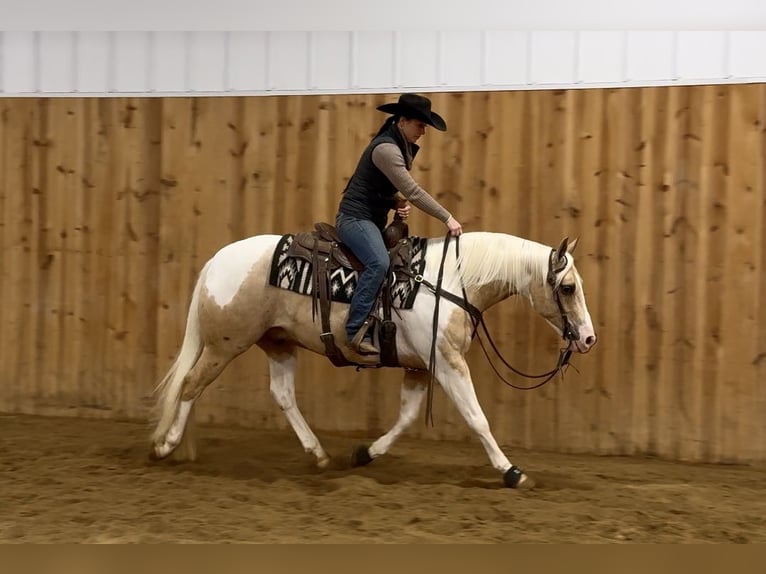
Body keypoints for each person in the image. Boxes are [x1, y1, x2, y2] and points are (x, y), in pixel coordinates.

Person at [335, 93, 463, 357]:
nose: (423, 132)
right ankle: (354, 329)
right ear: (403, 121)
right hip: (355, 219)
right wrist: (446, 217)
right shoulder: (387, 150)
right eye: (420, 125)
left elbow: (373, 187)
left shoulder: (397, 145)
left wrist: (393, 203)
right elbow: (414, 192)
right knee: (379, 263)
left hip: (369, 218)